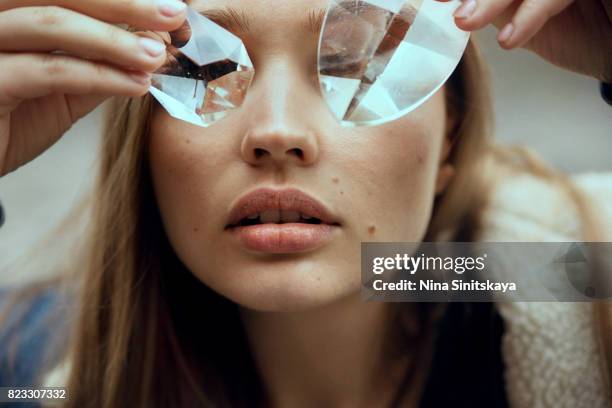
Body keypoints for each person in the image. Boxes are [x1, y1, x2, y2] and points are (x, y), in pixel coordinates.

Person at [0, 0, 611, 407]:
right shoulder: (29, 375)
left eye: (357, 67)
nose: (277, 132)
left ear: (449, 132)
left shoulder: (555, 281)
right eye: (208, 71)